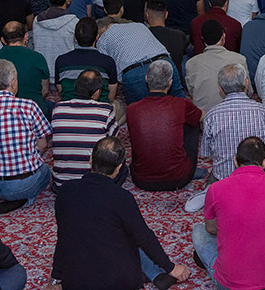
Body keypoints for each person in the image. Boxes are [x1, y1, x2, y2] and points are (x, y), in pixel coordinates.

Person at [52, 136, 191, 290]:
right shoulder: (121, 198)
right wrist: (171, 268)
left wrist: (56, 278)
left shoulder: (66, 191)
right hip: (119, 282)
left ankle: (154, 274)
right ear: (118, 168)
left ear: (90, 159)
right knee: (131, 238)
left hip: (77, 282)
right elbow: (144, 237)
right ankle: (155, 273)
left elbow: (63, 237)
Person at [192, 137, 265, 290]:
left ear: (235, 161)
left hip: (229, 285)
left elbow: (211, 229)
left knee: (198, 232)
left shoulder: (215, 189)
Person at [190, 63, 265, 211]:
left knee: (214, 175)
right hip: (258, 179)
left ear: (220, 88)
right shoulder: (264, 111)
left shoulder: (211, 116)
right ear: (246, 83)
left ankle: (214, 193)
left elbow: (207, 154)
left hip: (224, 179)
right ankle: (260, 198)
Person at [0, 60, 52, 214]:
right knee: (45, 171)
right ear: (13, 83)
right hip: (22, 184)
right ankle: (24, 199)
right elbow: (43, 144)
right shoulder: (29, 107)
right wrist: (31, 159)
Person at [126, 60, 203, 192]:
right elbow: (200, 116)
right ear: (170, 82)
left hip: (141, 179)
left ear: (146, 79)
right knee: (192, 121)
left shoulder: (131, 109)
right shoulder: (181, 104)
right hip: (179, 178)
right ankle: (188, 165)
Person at [51, 69, 119, 190]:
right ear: (97, 92)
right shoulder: (105, 111)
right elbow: (115, 144)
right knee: (120, 167)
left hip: (62, 185)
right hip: (94, 185)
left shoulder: (58, 109)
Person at [0, 21, 52, 116]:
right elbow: (45, 90)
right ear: (26, 37)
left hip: (1, 111)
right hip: (35, 111)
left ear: (3, 40)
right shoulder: (38, 57)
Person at [185, 19, 248, 114]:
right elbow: (248, 91)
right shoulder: (239, 60)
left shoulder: (191, 64)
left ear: (202, 38)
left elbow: (192, 92)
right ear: (223, 36)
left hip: (204, 117)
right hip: (235, 113)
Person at [53, 17, 119, 102]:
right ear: (97, 37)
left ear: (75, 37)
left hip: (69, 108)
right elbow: (111, 96)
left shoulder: (61, 61)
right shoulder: (108, 61)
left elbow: (61, 91)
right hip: (100, 110)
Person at [32, 0, 79, 79]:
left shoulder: (37, 21)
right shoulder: (74, 23)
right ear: (68, 0)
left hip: (43, 74)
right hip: (65, 74)